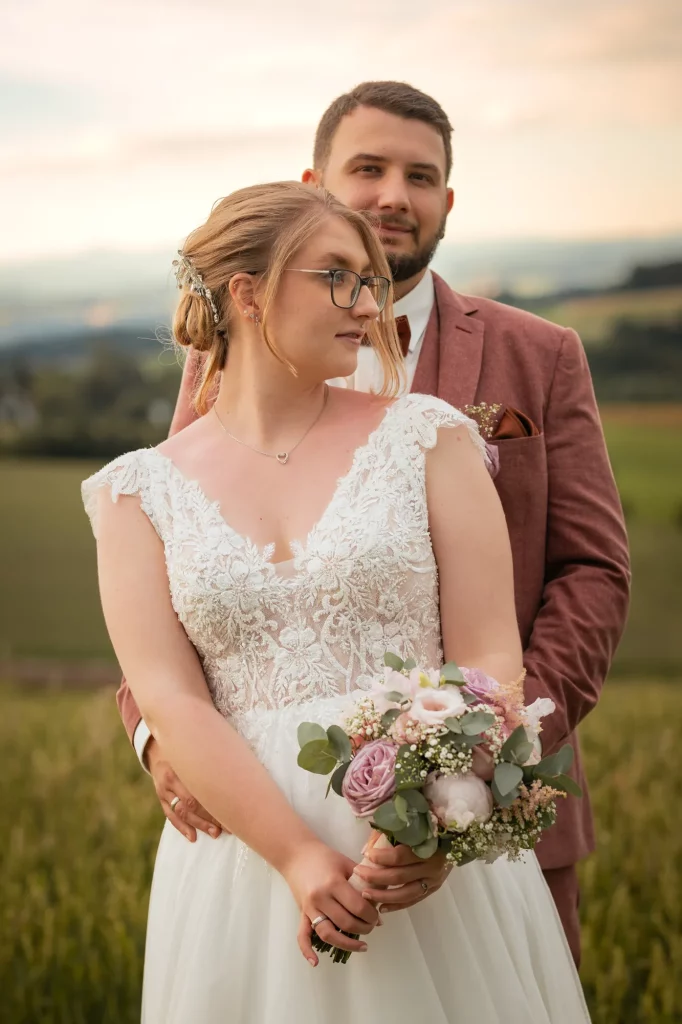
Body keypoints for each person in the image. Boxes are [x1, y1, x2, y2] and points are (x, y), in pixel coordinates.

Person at [116, 82, 630, 966]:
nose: (395, 193)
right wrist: (158, 731)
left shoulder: (538, 353)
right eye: (369, 167)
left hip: (492, 822)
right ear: (315, 181)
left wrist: (472, 770)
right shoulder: (217, 363)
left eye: (420, 176)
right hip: (255, 836)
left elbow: (593, 573)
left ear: (448, 201)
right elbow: (186, 554)